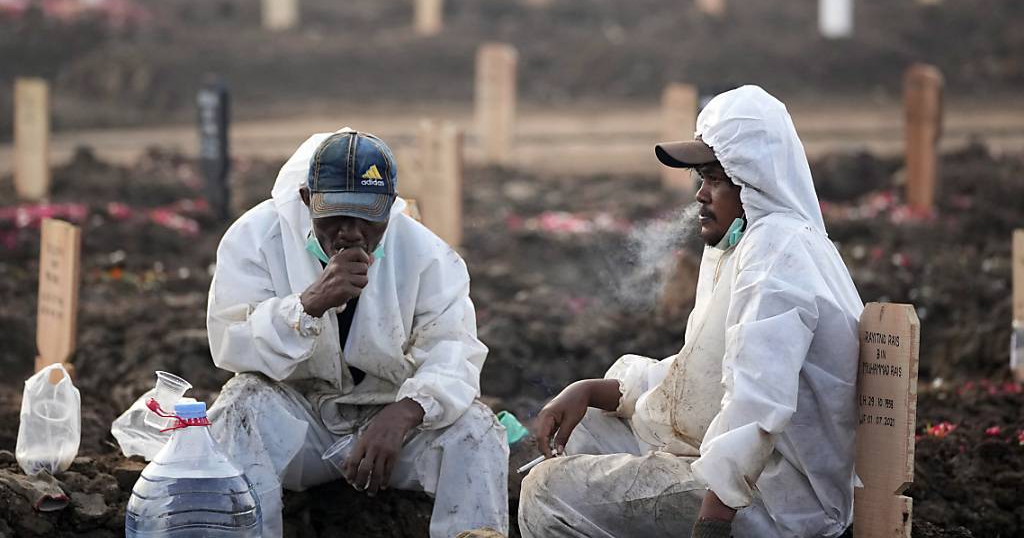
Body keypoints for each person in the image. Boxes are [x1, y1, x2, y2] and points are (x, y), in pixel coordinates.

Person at [518, 86, 863, 538]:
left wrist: (713, 521)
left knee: (548, 490)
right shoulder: (748, 245)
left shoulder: (776, 258)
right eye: (701, 178)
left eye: (716, 179)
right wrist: (593, 390)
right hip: (748, 477)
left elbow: (757, 402)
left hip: (780, 504)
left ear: (754, 181)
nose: (701, 195)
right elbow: (704, 377)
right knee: (586, 431)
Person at [205, 128, 509, 537]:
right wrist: (307, 306)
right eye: (336, 216)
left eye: (368, 217)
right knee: (239, 406)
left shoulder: (427, 255)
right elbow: (231, 343)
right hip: (300, 420)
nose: (352, 232)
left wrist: (406, 412)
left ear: (389, 210)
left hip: (391, 429)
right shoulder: (256, 239)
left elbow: (454, 352)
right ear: (306, 200)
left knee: (478, 430)